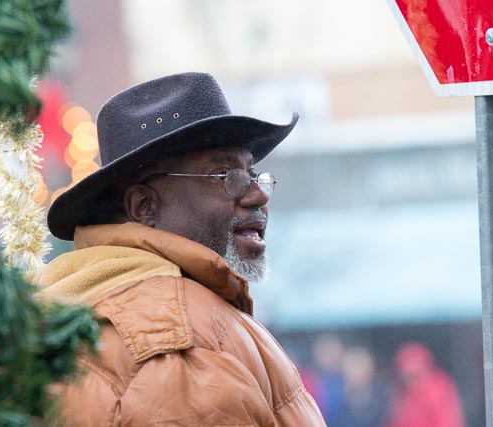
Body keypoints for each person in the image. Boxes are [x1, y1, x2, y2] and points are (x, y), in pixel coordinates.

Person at [30, 72, 326, 427]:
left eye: (252, 173)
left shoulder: (96, 307)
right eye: (225, 176)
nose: (258, 194)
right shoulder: (175, 337)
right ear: (144, 207)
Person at [388, 342, 465, 427]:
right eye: (403, 372)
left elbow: (447, 422)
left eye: (413, 374)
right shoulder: (403, 391)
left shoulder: (438, 388)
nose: (407, 377)